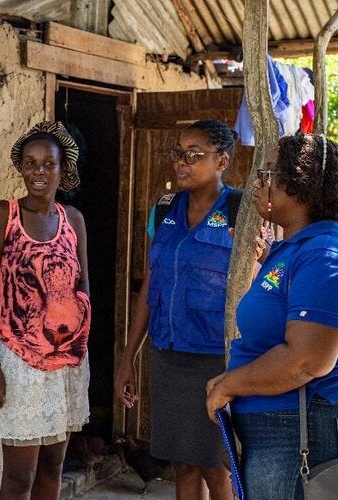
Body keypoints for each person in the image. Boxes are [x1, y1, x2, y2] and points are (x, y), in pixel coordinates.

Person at [206, 134, 338, 499]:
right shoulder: (293, 251)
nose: (258, 183)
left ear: (300, 184)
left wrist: (229, 385)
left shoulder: (326, 257)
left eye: (267, 173)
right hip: (281, 430)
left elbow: (305, 361)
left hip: (305, 431)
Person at [115, 119, 238, 500]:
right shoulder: (164, 208)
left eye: (194, 155)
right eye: (178, 153)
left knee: (216, 466)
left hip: (216, 360)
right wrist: (127, 358)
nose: (181, 163)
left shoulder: (240, 210)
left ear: (222, 161)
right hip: (168, 356)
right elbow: (150, 285)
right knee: (182, 465)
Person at [0, 121, 91, 500]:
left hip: (66, 363)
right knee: (18, 477)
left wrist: (78, 350)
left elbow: (82, 287)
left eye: (48, 164)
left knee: (53, 467)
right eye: (30, 163)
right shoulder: (1, 216)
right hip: (17, 362)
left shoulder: (73, 220)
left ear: (63, 168)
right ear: (21, 168)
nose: (39, 172)